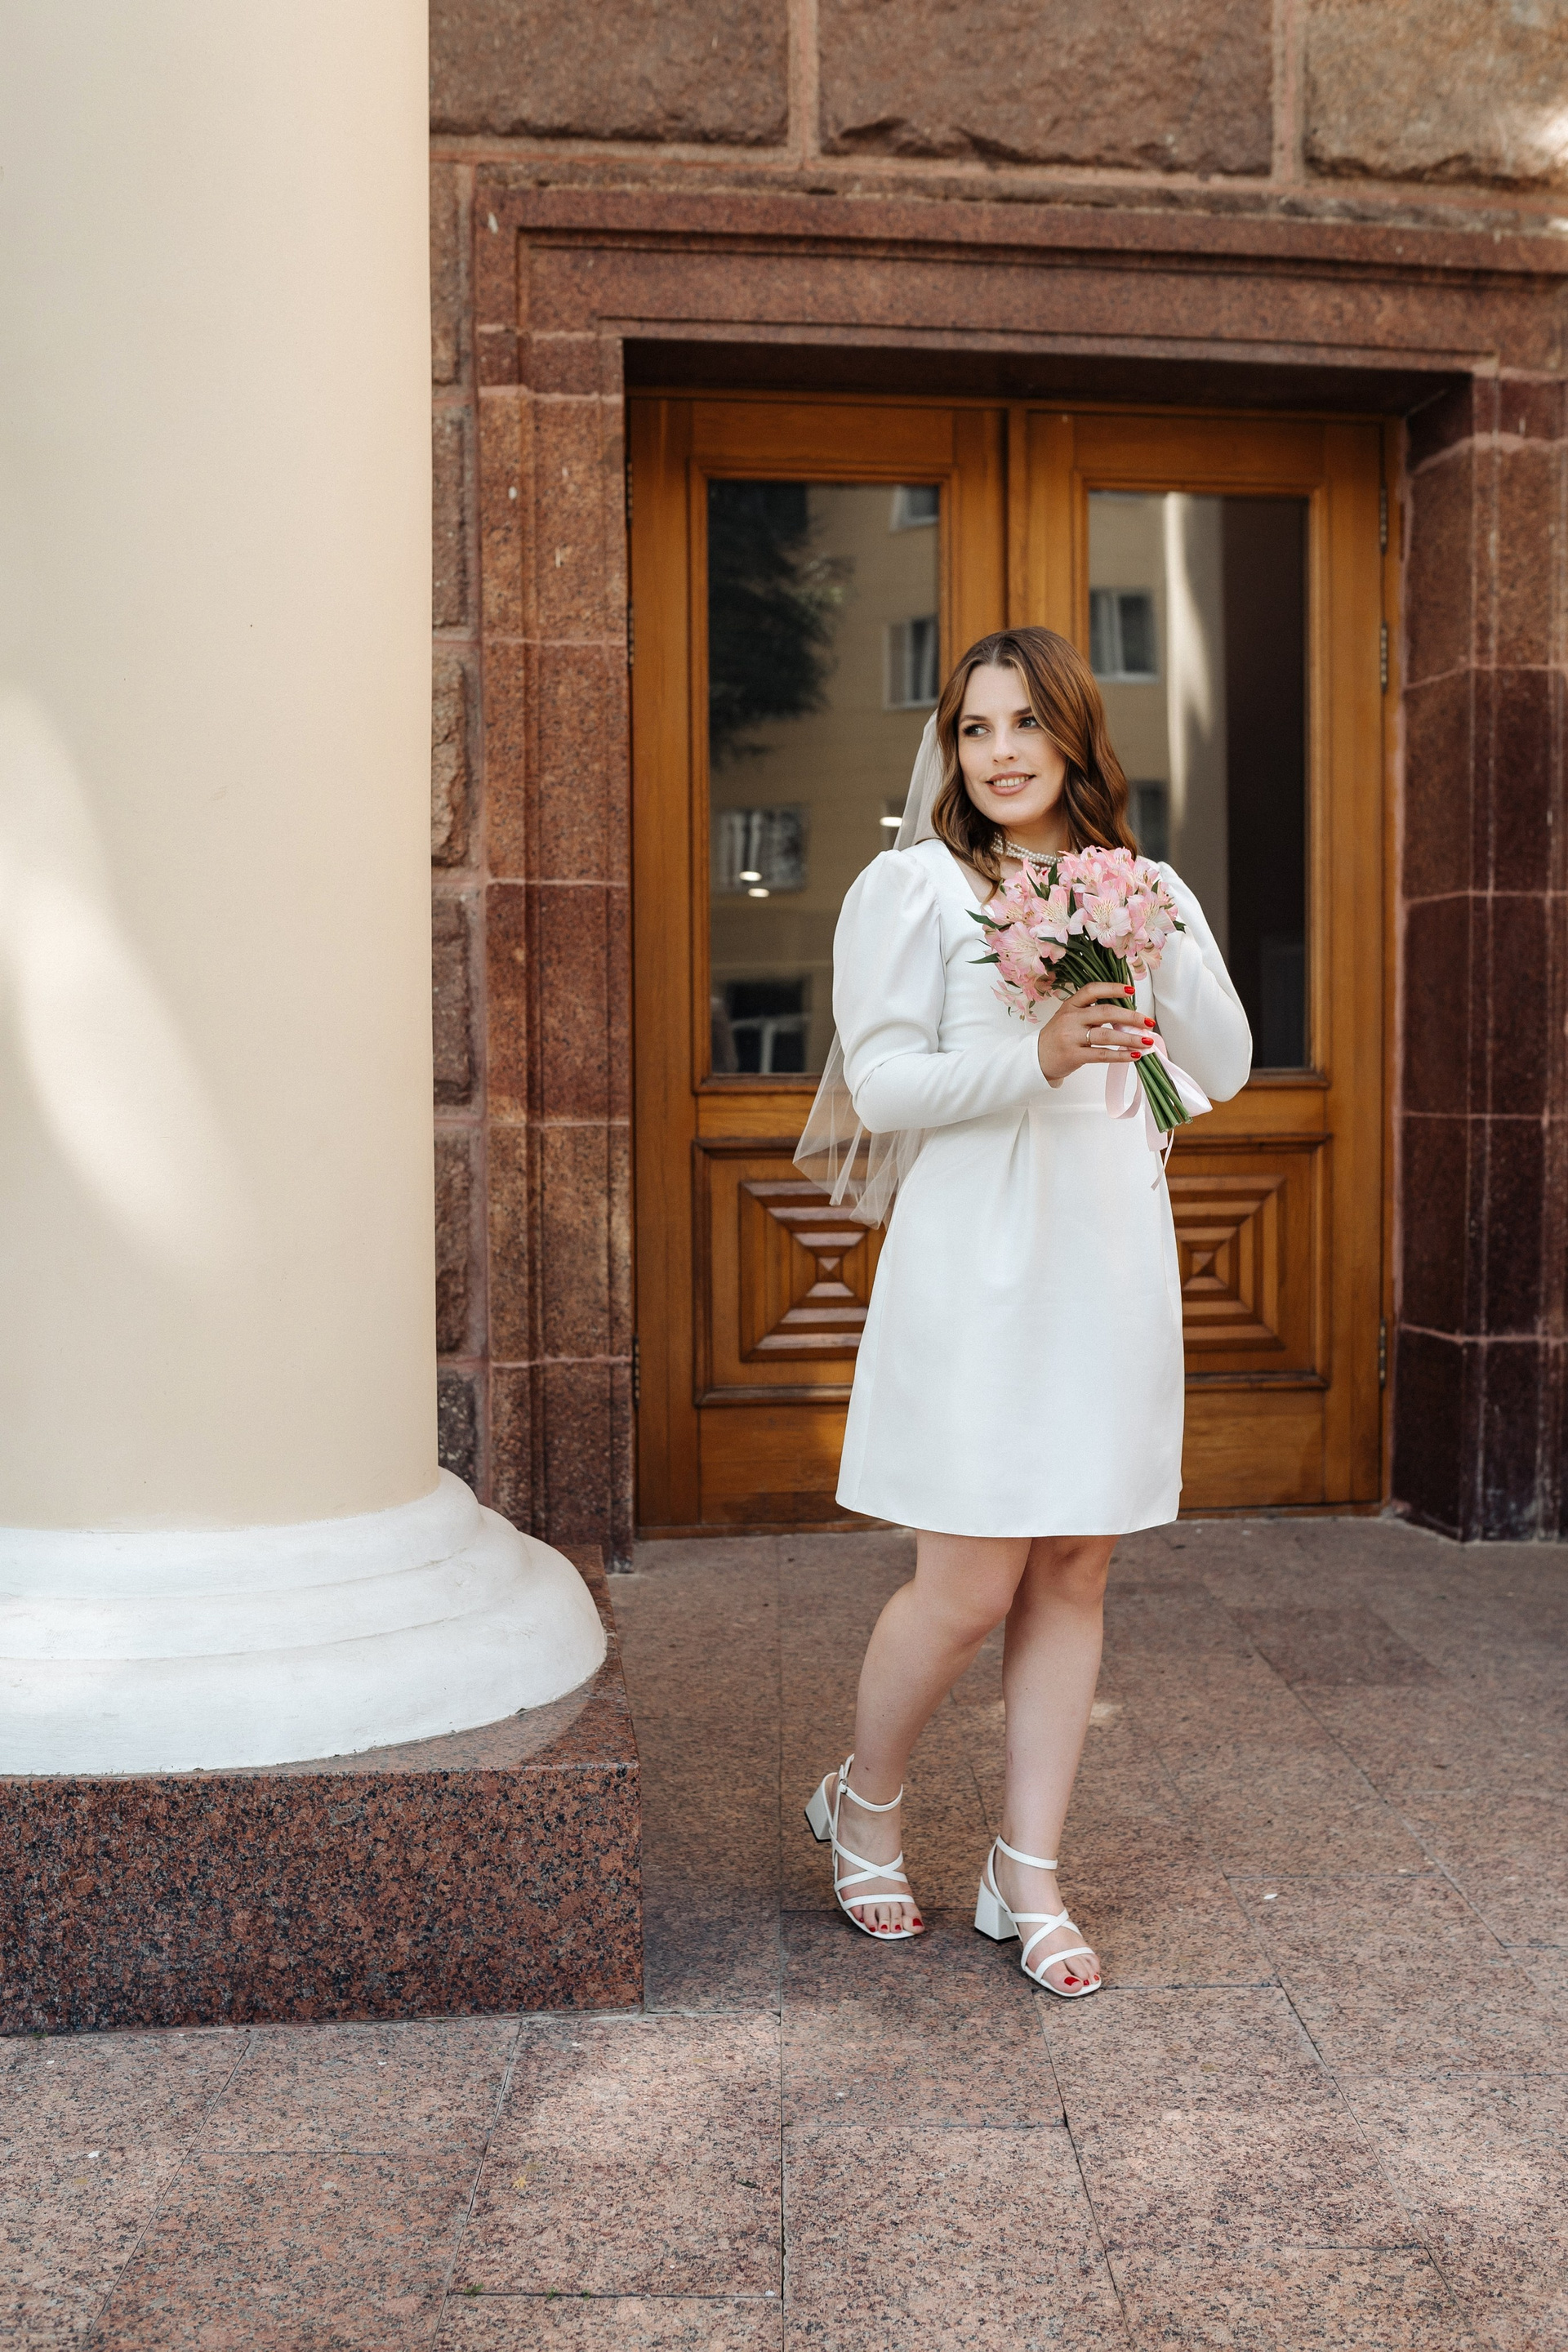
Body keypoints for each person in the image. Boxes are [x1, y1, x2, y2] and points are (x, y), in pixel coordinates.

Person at [796, 627, 1252, 1994]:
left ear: (1072, 736)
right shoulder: (912, 889)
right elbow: (883, 1087)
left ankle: (1026, 1871)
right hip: (977, 1259)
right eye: (974, 727)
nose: (1000, 753)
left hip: (1107, 1252)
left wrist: (1152, 936)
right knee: (966, 1584)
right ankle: (865, 1802)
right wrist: (1039, 1051)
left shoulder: (1143, 884)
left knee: (1077, 1566)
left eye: (1025, 724)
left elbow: (1224, 1064)